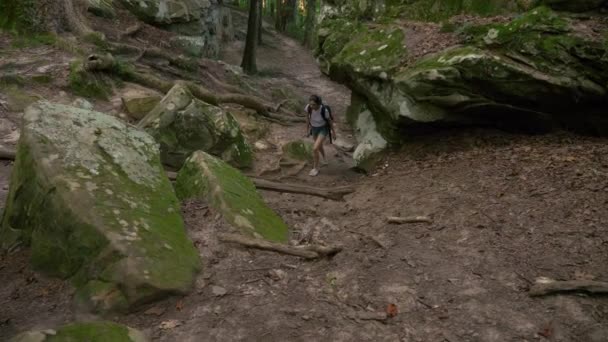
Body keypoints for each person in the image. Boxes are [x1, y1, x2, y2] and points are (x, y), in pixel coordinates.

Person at [305, 95, 336, 177]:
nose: (312, 106)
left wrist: (333, 132)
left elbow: (329, 121)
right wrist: (307, 130)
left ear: (319, 104)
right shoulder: (308, 108)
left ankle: (315, 168)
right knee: (318, 146)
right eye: (310, 104)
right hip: (314, 129)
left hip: (323, 129)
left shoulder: (324, 110)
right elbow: (307, 119)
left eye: (314, 105)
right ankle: (325, 158)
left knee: (315, 148)